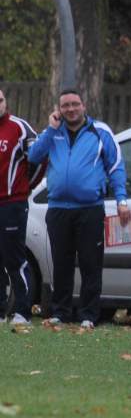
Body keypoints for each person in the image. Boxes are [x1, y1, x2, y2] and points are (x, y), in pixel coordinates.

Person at [27, 88, 129, 329]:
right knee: (60, 263)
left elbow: (116, 167)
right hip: (58, 209)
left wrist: (122, 200)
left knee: (90, 263)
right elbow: (33, 155)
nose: (70, 109)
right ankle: (60, 312)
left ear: (83, 106)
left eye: (75, 104)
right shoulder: (52, 133)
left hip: (90, 210)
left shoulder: (100, 132)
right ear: (59, 109)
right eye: (65, 106)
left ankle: (88, 315)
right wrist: (51, 130)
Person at [0, 88, 46, 325]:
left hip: (12, 204)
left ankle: (22, 312)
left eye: (0, 100)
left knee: (14, 258)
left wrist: (26, 186)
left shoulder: (19, 128)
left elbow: (39, 159)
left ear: (6, 102)